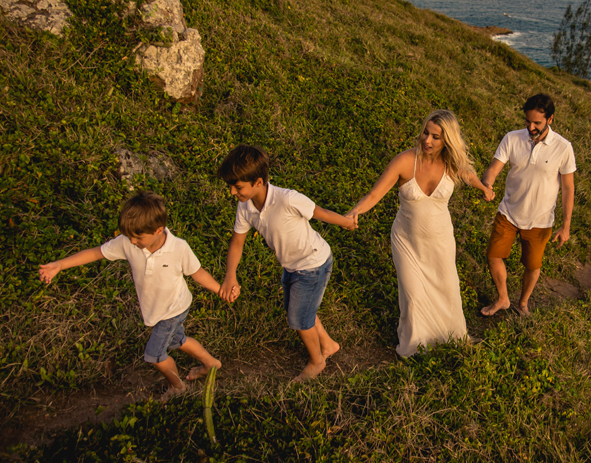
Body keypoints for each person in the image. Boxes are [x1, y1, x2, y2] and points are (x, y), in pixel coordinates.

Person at [38, 191, 222, 398]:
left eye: (138, 237)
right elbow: (96, 252)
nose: (133, 241)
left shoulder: (179, 248)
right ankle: (211, 363)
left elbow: (197, 273)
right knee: (176, 340)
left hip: (173, 309)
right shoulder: (127, 242)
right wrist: (60, 265)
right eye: (129, 236)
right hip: (158, 309)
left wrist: (220, 290)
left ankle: (178, 388)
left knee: (155, 355)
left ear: (158, 230)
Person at [347, 110, 495, 357]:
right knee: (413, 296)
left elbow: (467, 174)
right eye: (426, 133)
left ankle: (452, 340)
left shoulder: (451, 164)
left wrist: (483, 188)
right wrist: (354, 212)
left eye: (435, 137)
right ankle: (417, 348)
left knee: (448, 290)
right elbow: (374, 194)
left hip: (441, 241)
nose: (427, 140)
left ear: (447, 140)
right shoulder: (405, 161)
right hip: (406, 241)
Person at [217, 144, 356, 382]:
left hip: (313, 263)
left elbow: (320, 212)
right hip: (291, 265)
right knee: (300, 308)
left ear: (258, 182)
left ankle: (317, 361)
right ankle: (328, 345)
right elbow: (237, 242)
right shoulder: (245, 206)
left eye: (237, 187)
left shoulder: (287, 199)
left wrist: (347, 222)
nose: (232, 192)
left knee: (299, 319)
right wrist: (231, 275)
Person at [480, 93, 576, 317]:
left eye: (537, 123)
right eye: (528, 121)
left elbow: (568, 188)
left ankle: (523, 303)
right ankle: (503, 298)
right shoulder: (512, 138)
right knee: (493, 255)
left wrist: (566, 226)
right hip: (508, 212)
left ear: (550, 119)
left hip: (540, 220)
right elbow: (494, 168)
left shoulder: (563, 147)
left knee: (532, 266)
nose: (531, 127)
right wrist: (487, 184)